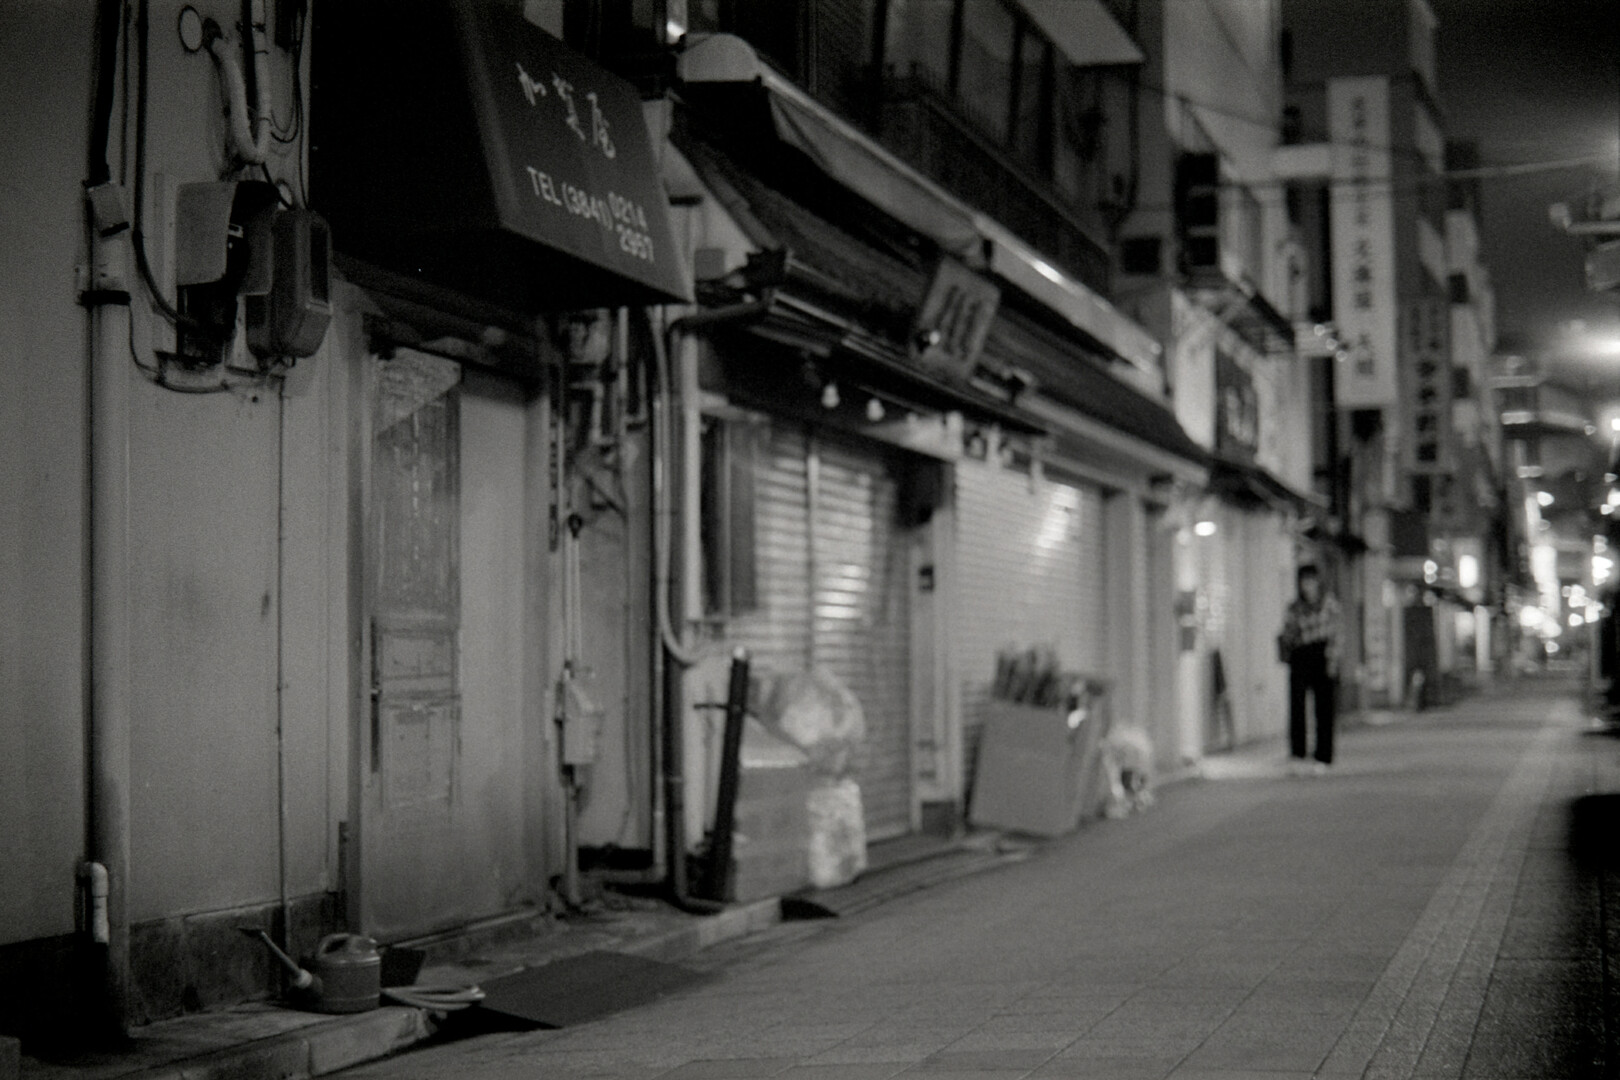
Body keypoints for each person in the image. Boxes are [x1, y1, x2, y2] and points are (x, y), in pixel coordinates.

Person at [1277, 564, 1342, 774]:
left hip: (1322, 654)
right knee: (1297, 706)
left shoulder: (1329, 604)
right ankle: (1297, 754)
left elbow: (1337, 634)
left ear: (1317, 582)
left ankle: (1323, 756)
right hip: (1300, 655)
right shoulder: (1294, 608)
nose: (1307, 586)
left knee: (1324, 708)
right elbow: (1287, 634)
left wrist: (1333, 660)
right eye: (1304, 581)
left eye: (1311, 580)